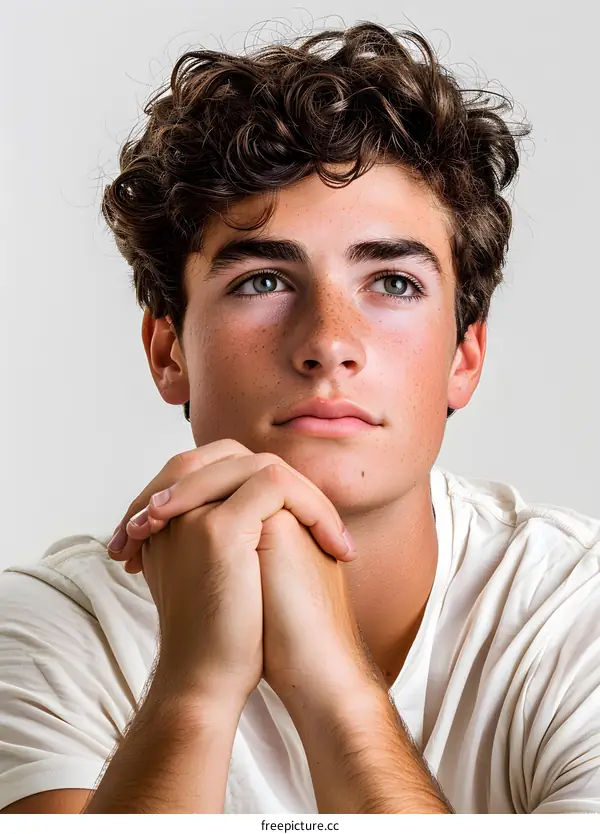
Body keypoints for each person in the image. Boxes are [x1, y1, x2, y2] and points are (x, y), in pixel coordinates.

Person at [1, 20, 599, 815]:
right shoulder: (52, 632)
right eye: (262, 282)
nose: (328, 344)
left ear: (464, 356)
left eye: (393, 283)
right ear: (169, 352)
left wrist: (338, 690)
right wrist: (192, 693)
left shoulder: (575, 614)